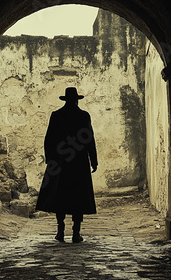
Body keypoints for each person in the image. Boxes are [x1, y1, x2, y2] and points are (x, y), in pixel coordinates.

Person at [35, 87, 98, 243]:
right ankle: (76, 233)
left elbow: (48, 139)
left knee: (60, 196)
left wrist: (50, 160)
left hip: (60, 161)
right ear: (77, 100)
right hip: (79, 163)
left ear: (65, 99)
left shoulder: (56, 116)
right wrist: (93, 160)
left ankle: (60, 230)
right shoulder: (83, 116)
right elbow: (89, 139)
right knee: (79, 196)